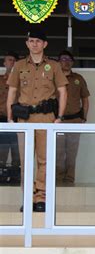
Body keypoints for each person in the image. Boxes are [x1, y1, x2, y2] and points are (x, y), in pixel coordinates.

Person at [6, 28, 68, 212]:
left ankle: (41, 197)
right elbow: (12, 91)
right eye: (31, 41)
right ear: (27, 43)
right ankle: (27, 197)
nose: (35, 44)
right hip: (24, 118)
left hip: (45, 117)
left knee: (44, 160)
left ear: (45, 44)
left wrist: (59, 117)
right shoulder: (19, 66)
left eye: (38, 41)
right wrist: (10, 118)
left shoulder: (54, 66)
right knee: (26, 161)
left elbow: (63, 91)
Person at [55, 50, 90, 186]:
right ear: (58, 62)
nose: (66, 62)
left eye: (69, 59)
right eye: (63, 59)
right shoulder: (54, 78)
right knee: (58, 152)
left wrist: (84, 117)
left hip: (75, 121)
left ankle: (69, 180)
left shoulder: (78, 79)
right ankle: (57, 180)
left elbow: (85, 99)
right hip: (58, 122)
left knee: (71, 152)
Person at [0, 51, 21, 173]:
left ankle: (15, 174)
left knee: (17, 149)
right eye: (9, 60)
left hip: (17, 118)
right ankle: (1, 174)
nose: (11, 62)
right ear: (4, 63)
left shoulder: (22, 81)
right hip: (1, 118)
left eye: (14, 60)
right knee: (1, 150)